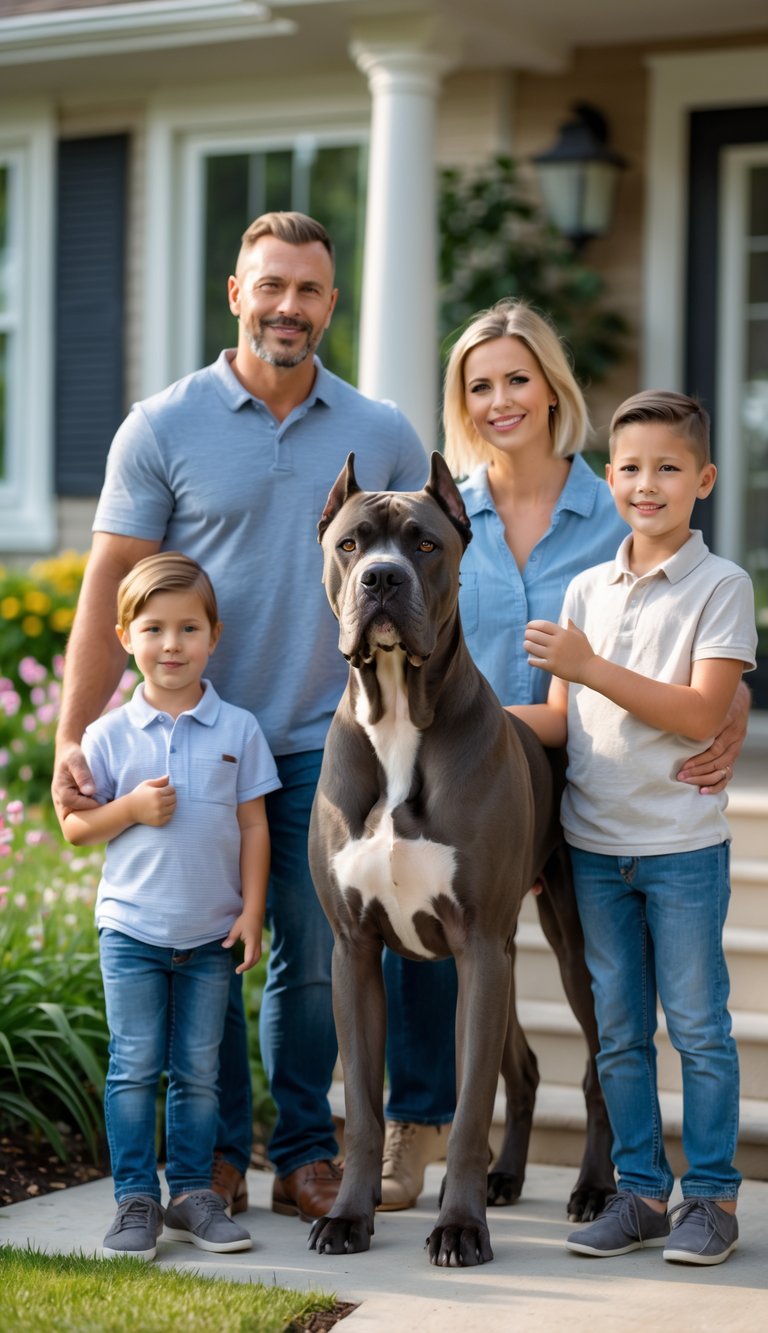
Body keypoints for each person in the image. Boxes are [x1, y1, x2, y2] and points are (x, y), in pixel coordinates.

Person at [52, 211, 428, 1224]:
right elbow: (108, 591)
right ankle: (211, 1161)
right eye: (271, 287)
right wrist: (72, 735)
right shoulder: (163, 426)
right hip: (201, 740)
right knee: (211, 950)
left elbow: (429, 580)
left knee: (309, 961)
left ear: (332, 304)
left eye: (308, 291)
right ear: (236, 295)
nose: (288, 308)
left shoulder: (383, 432)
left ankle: (302, 1152)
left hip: (326, 739)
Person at [380, 301, 751, 1211]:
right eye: (480, 385)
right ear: (460, 402)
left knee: (605, 995)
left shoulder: (614, 503)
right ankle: (421, 1120)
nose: (501, 399)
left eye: (518, 378)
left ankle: (627, 1160)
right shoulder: (437, 511)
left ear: (553, 388)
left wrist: (729, 702)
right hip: (449, 783)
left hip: (577, 786)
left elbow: (685, 634)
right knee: (427, 948)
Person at [511, 390, 756, 1266]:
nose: (646, 484)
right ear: (609, 476)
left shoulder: (722, 585)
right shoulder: (587, 585)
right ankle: (641, 1191)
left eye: (667, 467)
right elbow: (557, 720)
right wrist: (454, 721)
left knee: (696, 1025)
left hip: (681, 850)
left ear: (704, 478)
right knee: (618, 1031)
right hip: (593, 846)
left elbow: (700, 713)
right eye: (630, 467)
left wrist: (589, 665)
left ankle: (713, 1199)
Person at [61, 552, 280, 1260]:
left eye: (189, 628)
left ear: (214, 636)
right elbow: (75, 826)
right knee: (133, 1065)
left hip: (212, 933)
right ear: (125, 635)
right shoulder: (109, 735)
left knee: (198, 1069)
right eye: (153, 628)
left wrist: (251, 911)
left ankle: (191, 1193)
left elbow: (254, 824)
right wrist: (127, 807)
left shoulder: (238, 729)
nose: (172, 644)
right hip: (131, 928)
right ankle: (135, 1199)